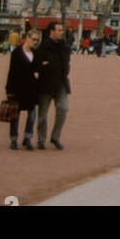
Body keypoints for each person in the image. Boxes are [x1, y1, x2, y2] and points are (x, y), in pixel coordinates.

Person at [34, 21, 71, 150]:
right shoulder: (43, 47)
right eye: (59, 30)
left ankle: (55, 136)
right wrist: (49, 66)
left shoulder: (64, 46)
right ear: (52, 31)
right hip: (46, 83)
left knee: (63, 108)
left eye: (62, 30)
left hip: (61, 82)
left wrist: (52, 65)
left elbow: (66, 63)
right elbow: (38, 65)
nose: (62, 32)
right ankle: (41, 139)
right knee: (42, 115)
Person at [5, 29, 41, 150]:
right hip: (18, 87)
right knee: (15, 114)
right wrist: (9, 89)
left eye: (37, 40)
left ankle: (27, 138)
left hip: (32, 88)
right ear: (27, 38)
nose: (35, 42)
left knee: (31, 114)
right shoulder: (16, 53)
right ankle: (13, 139)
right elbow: (11, 72)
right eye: (34, 39)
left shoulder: (36, 53)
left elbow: (37, 69)